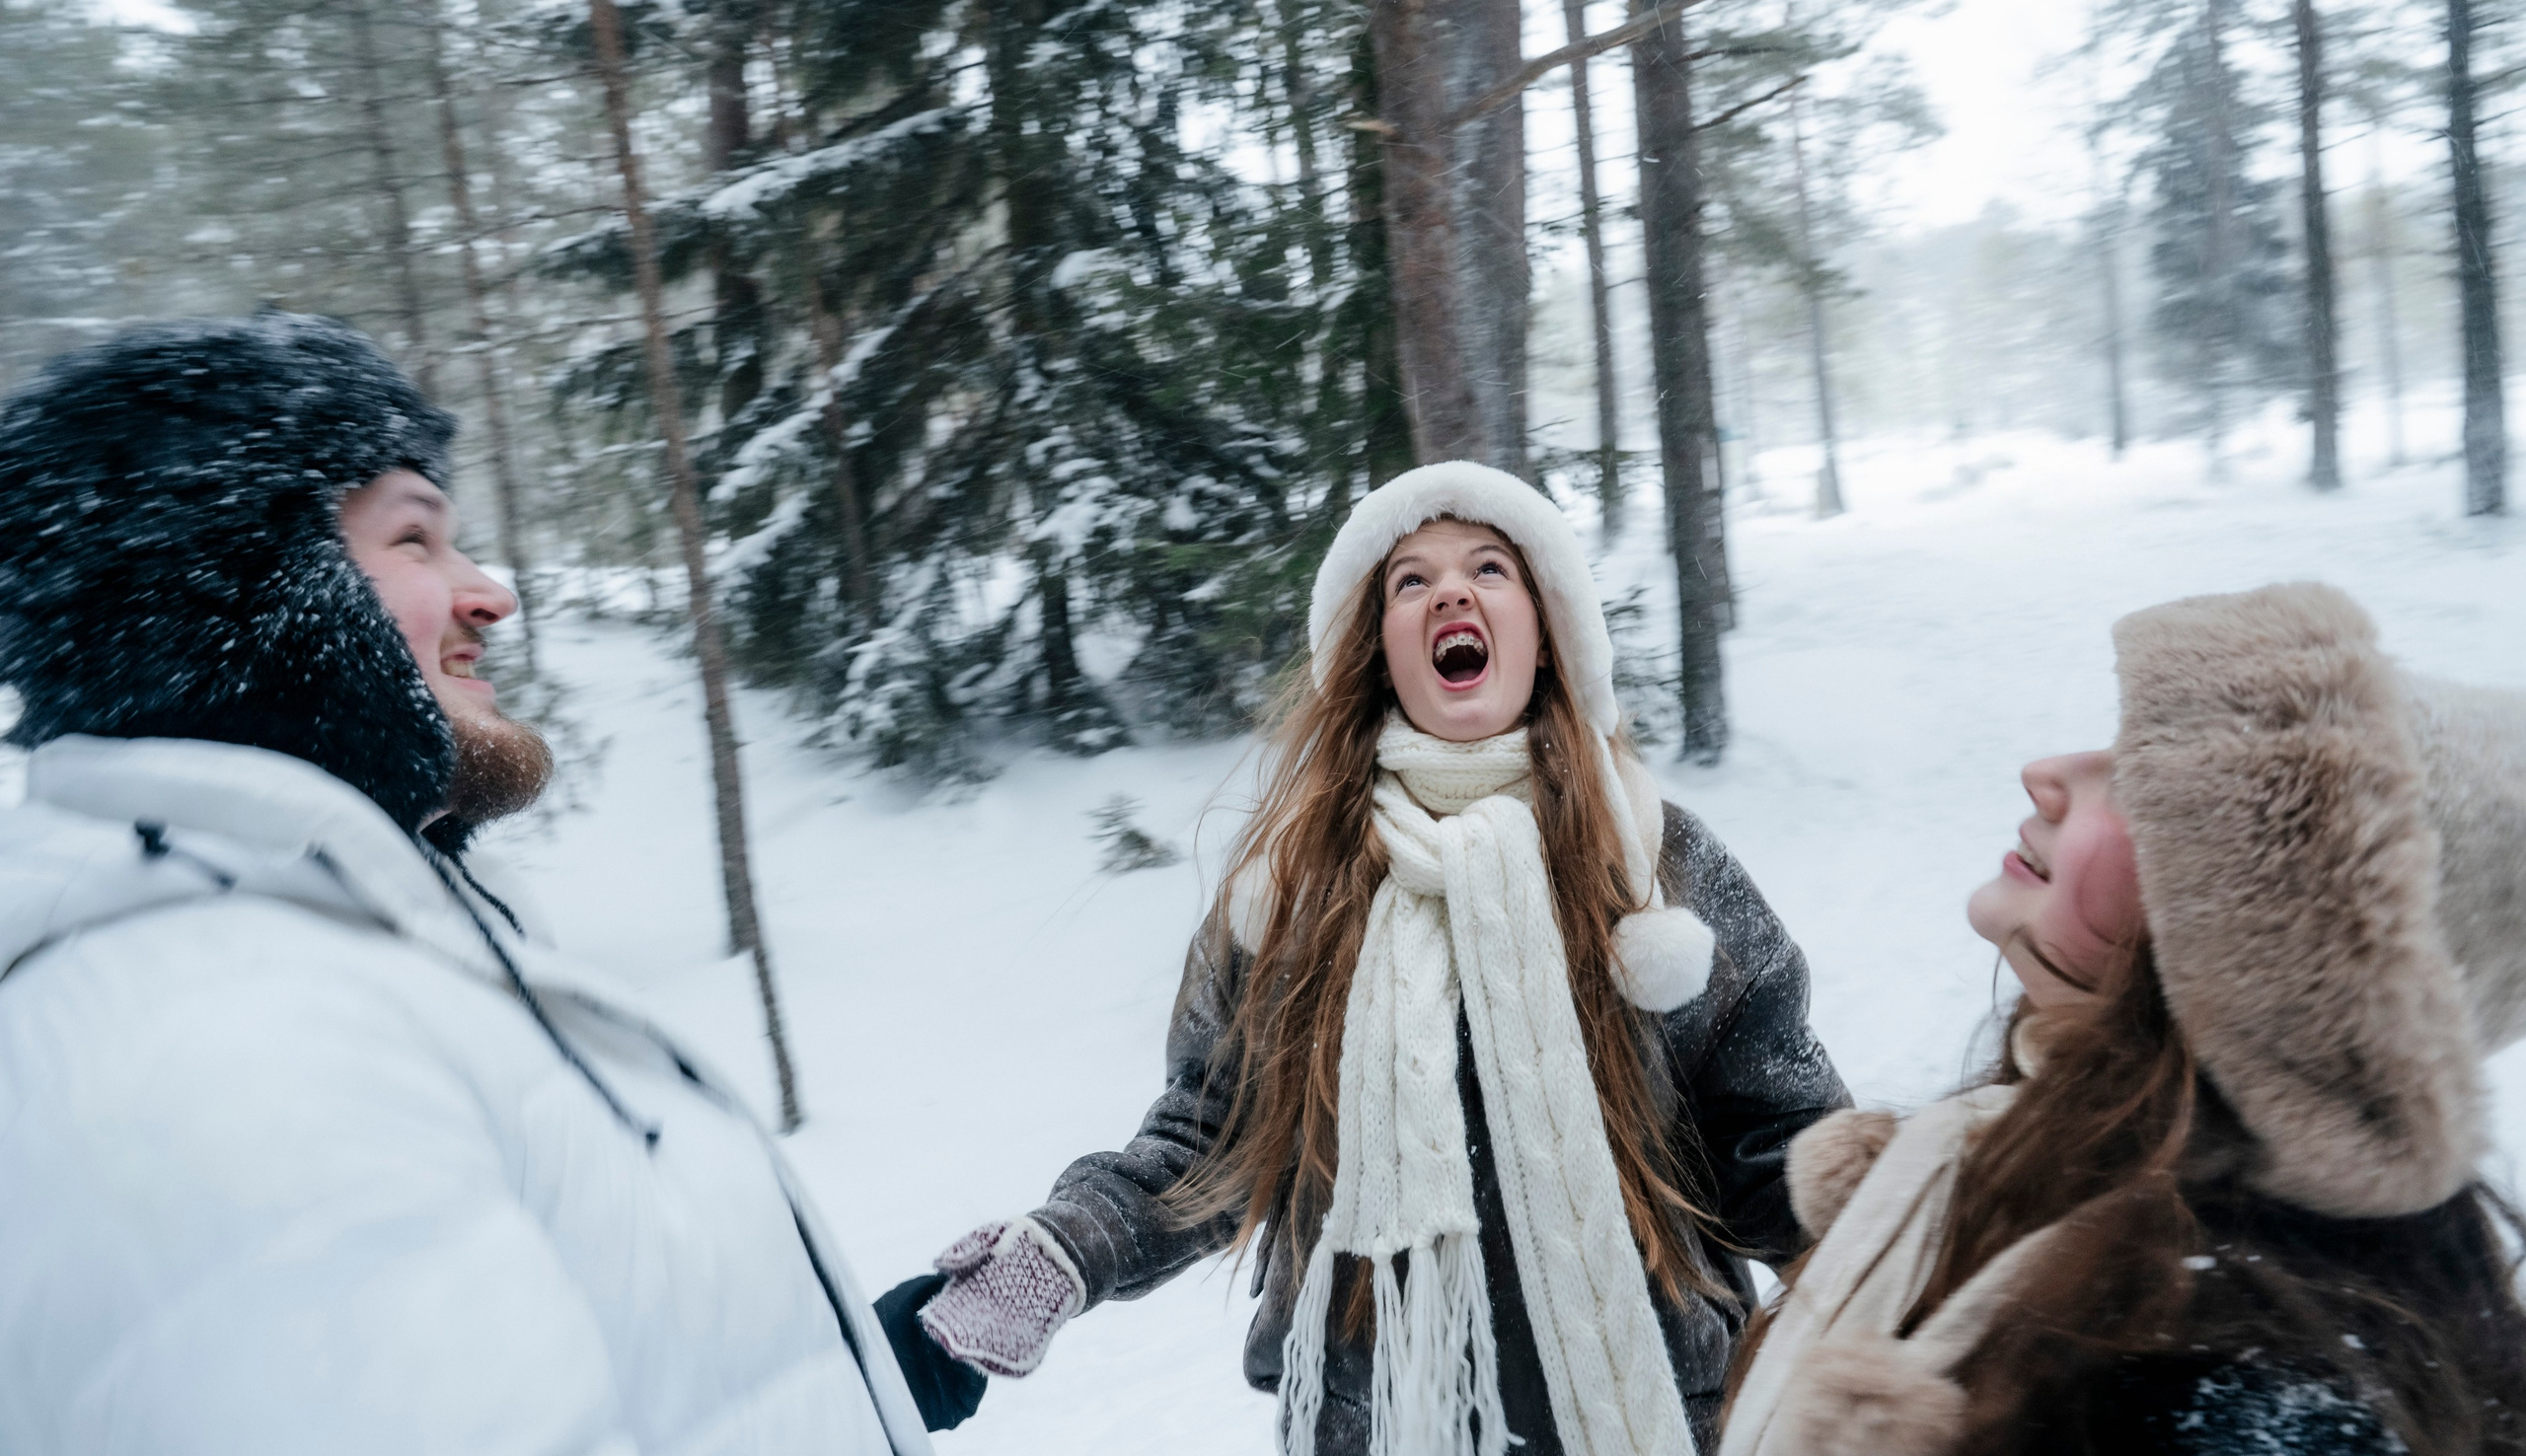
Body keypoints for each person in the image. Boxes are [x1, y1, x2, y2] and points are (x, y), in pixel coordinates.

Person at [0, 315, 932, 1456]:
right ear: (244, 595)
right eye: (414, 540)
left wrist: (853, 1377)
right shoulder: (220, 1037)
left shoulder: (326, 960)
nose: (488, 592)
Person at [882, 461, 1849, 1452]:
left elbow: (1780, 1142)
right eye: (1410, 580)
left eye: (1489, 568)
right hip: (1370, 1423)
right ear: (1379, 645)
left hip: (1650, 1417)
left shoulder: (1652, 861)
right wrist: (1045, 1261)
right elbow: (1204, 1139)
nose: (1452, 593)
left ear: (1549, 634)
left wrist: (1917, 1262)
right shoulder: (1296, 884)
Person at [1721, 583, 2526, 1456]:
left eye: (2143, 779)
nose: (2046, 773)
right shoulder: (2038, 1153)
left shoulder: (2236, 1392)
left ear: (2268, 943)